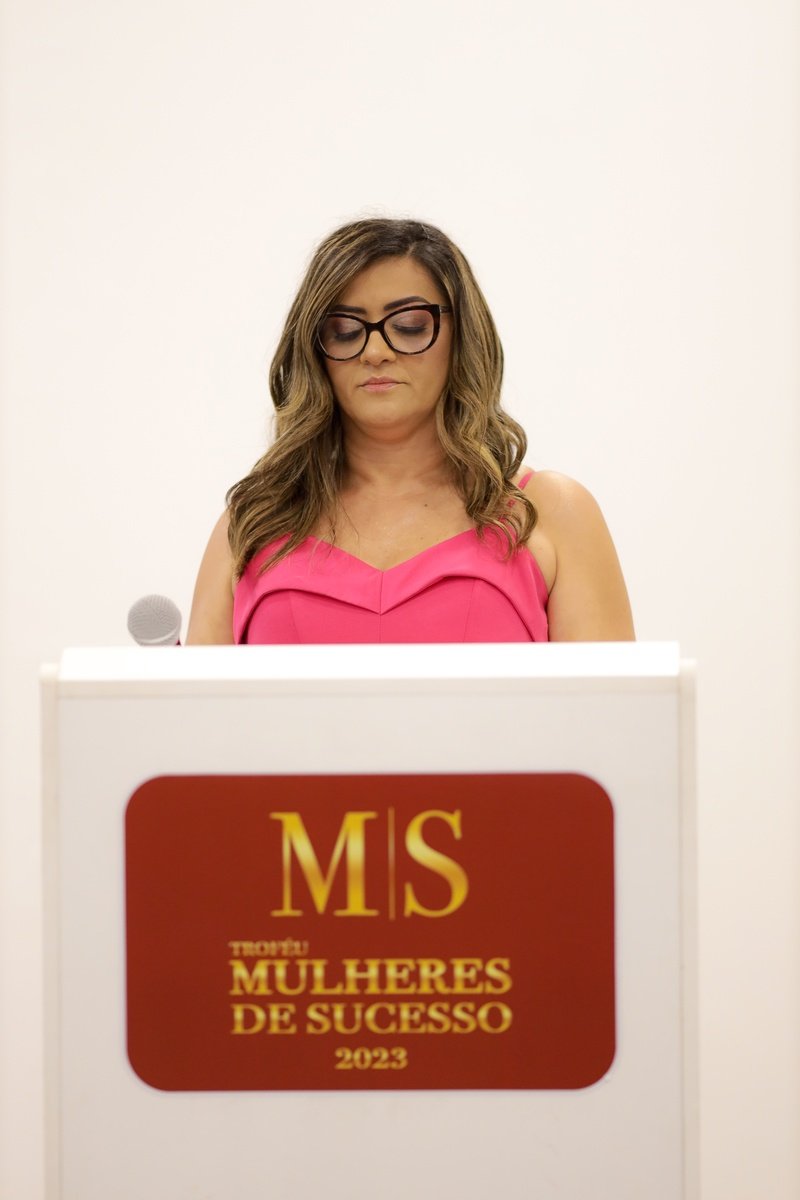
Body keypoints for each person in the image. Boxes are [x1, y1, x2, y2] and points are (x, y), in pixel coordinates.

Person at [187, 218, 634, 645]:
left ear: (462, 336)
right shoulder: (253, 522)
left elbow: (614, 699)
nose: (375, 351)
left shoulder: (550, 512)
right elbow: (194, 699)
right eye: (344, 330)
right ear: (315, 351)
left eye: (408, 326)